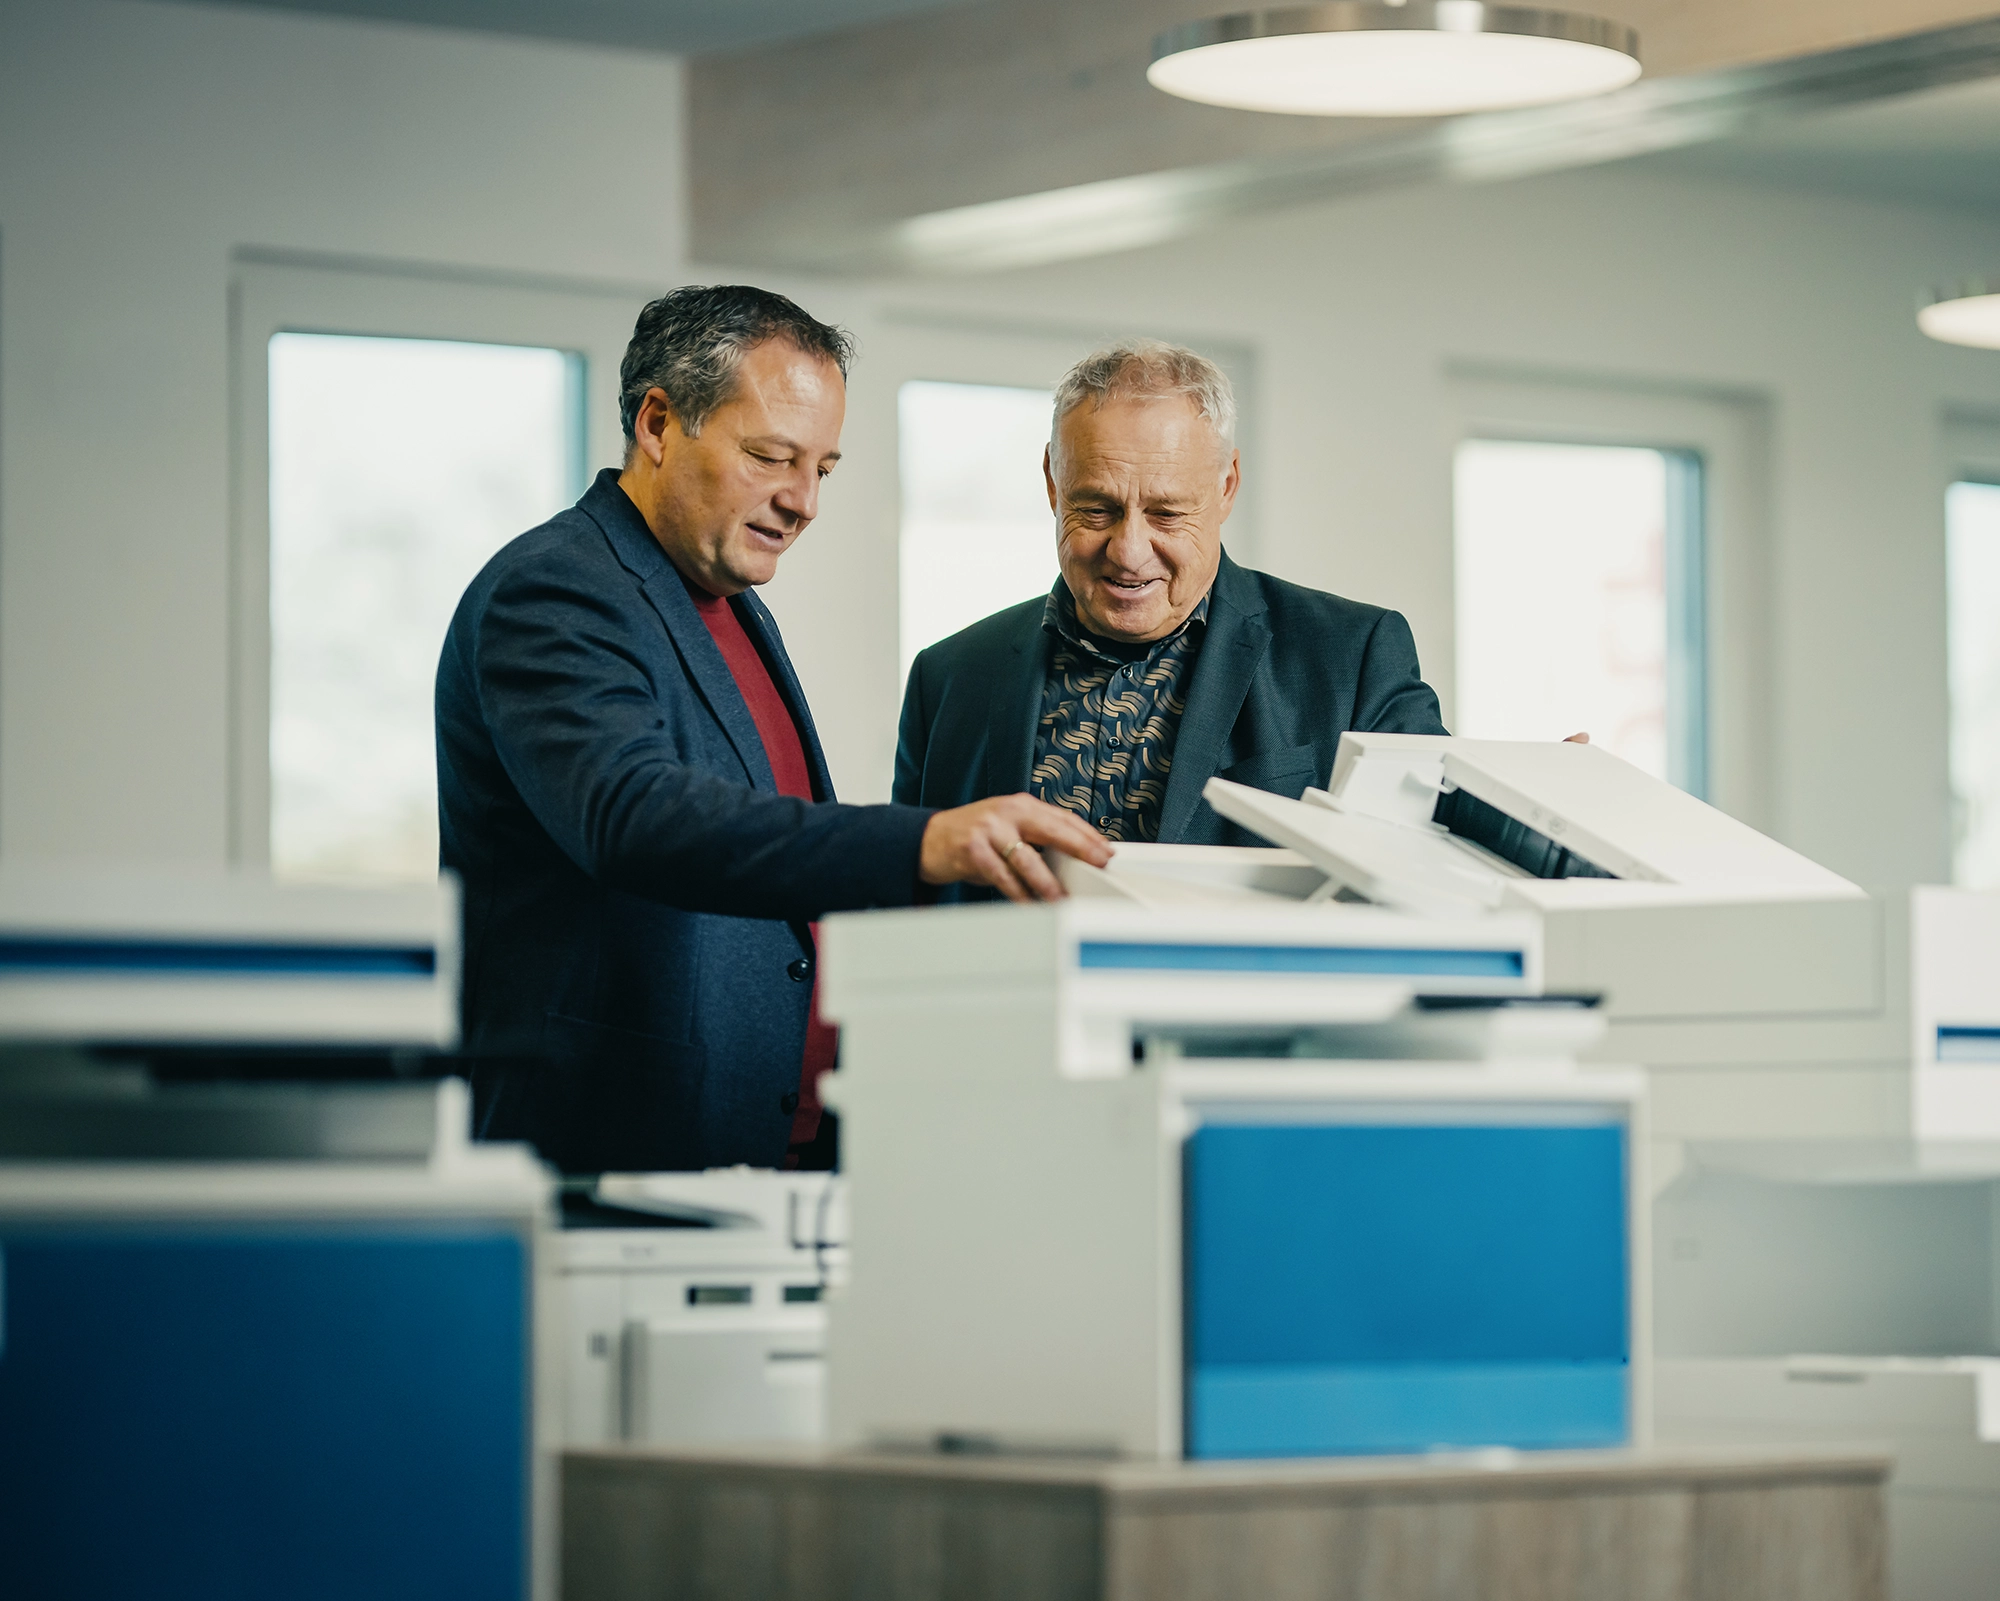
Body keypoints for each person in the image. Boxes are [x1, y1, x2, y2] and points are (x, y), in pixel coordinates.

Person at [436, 285, 1109, 1175]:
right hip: (615, 1151)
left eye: (823, 468)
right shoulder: (554, 591)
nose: (804, 503)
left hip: (769, 1146)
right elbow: (635, 816)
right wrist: (923, 841)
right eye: (770, 457)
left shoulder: (728, 600)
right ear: (658, 423)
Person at [894, 340, 1447, 854]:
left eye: (1166, 513)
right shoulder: (945, 679)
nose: (1130, 552)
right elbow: (905, 908)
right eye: (1097, 509)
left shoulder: (1354, 658)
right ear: (1052, 482)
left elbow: (1443, 866)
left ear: (1226, 485)